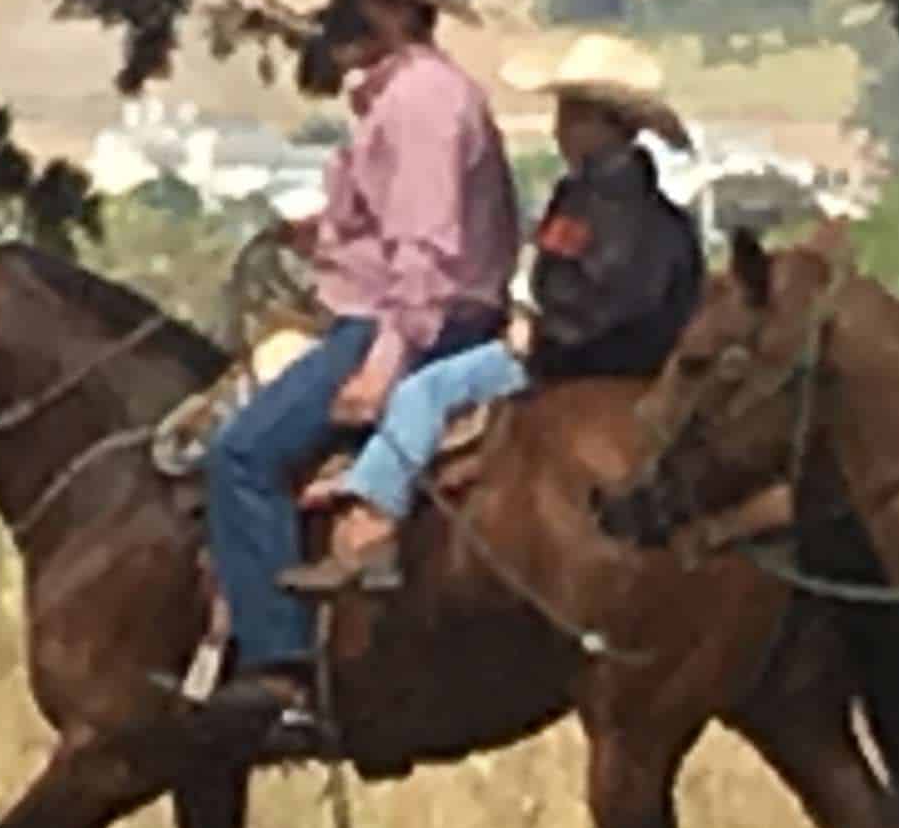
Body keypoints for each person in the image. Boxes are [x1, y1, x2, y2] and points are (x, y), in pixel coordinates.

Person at [199, 0, 518, 754]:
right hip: (399, 309)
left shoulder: (419, 105)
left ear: (401, 9)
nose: (339, 9)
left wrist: (386, 363)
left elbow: (425, 257)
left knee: (240, 453)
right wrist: (327, 233)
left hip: (407, 323)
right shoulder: (404, 96)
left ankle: (279, 671)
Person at [282, 31, 703, 596]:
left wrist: (542, 336)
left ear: (599, 123)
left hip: (564, 356)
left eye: (569, 114)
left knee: (424, 391)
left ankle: (374, 517)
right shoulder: (653, 214)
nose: (558, 128)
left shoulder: (595, 206)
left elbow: (602, 300)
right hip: (616, 358)